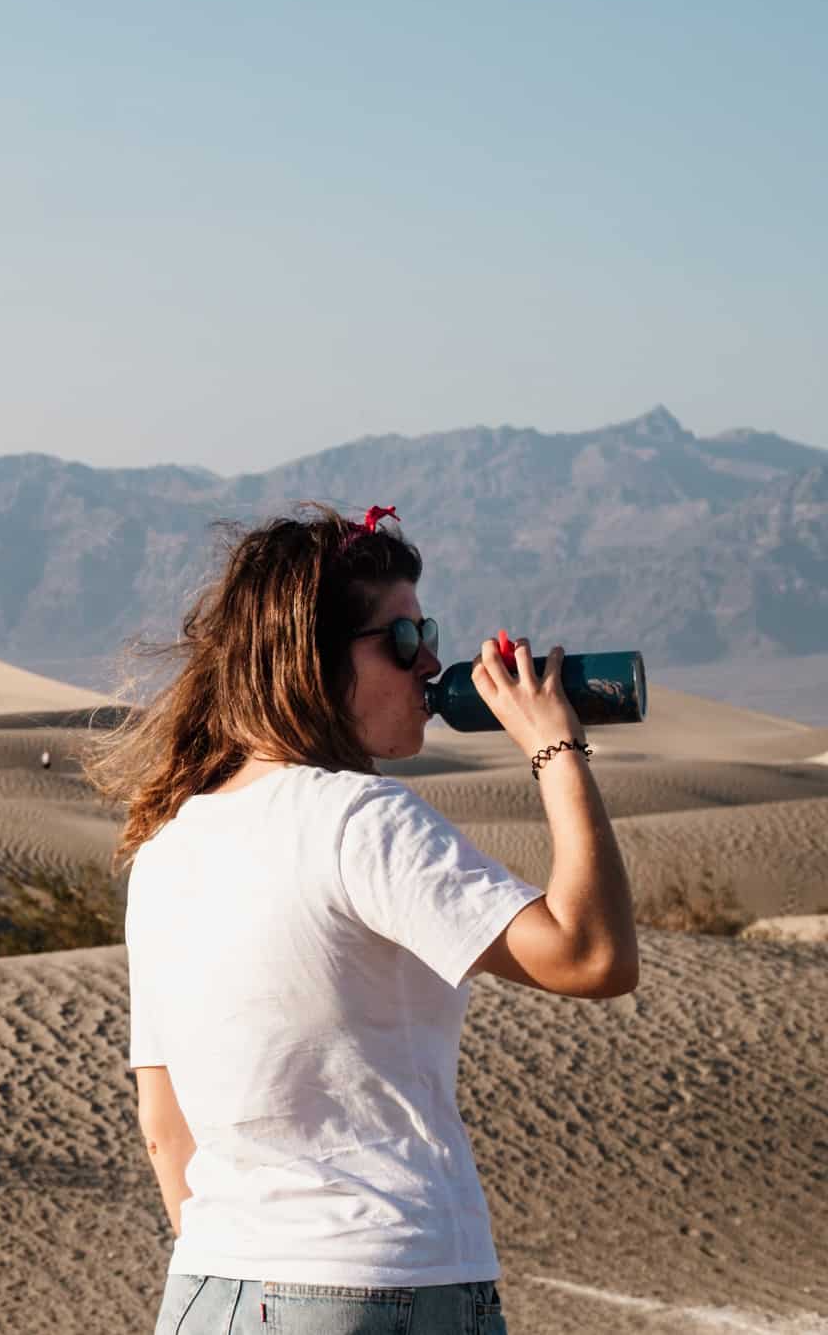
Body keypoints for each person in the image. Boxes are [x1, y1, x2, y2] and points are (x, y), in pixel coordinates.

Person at [84, 504, 635, 1335]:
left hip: (209, 1292)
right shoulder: (362, 819)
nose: (431, 663)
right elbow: (593, 955)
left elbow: (166, 1132)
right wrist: (555, 748)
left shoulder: (164, 850)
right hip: (382, 1283)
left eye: (429, 633)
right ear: (313, 660)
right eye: (403, 640)